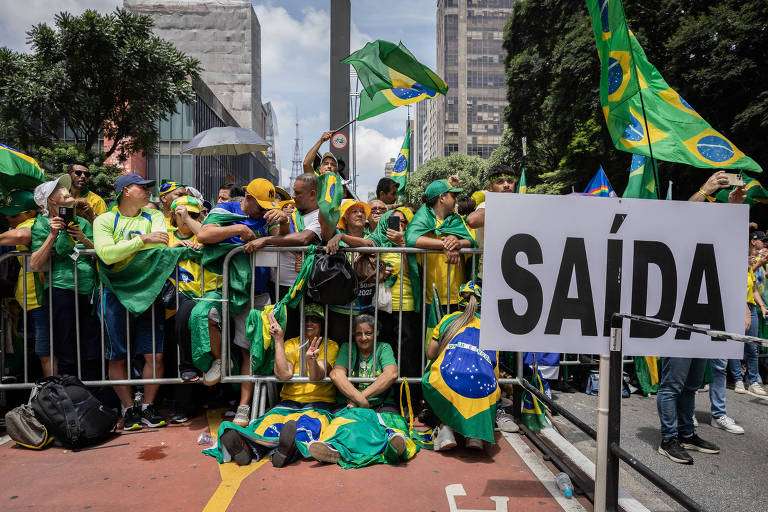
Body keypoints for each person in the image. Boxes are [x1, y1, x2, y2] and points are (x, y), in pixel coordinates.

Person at [196, 178, 287, 426]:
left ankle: (247, 405)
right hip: (227, 290)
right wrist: (237, 230)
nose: (264, 210)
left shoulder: (269, 215)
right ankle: (218, 363)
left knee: (252, 347)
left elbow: (283, 240)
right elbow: (204, 234)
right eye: (261, 206)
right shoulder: (226, 210)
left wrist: (283, 220)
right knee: (205, 317)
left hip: (259, 293)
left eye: (269, 206)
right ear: (247, 199)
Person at [211, 304, 339, 467]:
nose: (309, 323)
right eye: (306, 319)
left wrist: (311, 361)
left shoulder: (331, 346)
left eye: (314, 319)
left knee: (307, 427)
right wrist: (278, 340)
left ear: (322, 324)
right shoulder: (291, 344)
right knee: (268, 424)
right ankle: (246, 450)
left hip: (318, 404)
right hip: (288, 403)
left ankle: (284, 453)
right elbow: (284, 374)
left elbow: (316, 376)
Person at [93, 174, 170, 431]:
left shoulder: (154, 216)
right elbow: (106, 254)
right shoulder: (105, 219)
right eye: (143, 187)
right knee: (118, 356)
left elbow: (163, 246)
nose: (149, 191)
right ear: (125, 191)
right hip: (115, 294)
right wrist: (143, 240)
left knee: (155, 355)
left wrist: (125, 248)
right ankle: (128, 409)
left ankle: (147, 407)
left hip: (149, 294)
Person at [29, 176, 99, 379]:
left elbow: (100, 252)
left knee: (91, 345)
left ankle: (92, 397)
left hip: (88, 290)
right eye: (58, 188)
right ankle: (69, 395)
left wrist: (83, 238)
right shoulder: (41, 223)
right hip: (61, 289)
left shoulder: (83, 222)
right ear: (50, 200)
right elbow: (34, 263)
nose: (65, 189)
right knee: (66, 345)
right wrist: (53, 234)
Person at [423, 282, 500, 451]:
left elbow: (430, 353)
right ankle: (475, 436)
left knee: (431, 380)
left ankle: (445, 429)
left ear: (458, 304)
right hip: (484, 383)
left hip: (449, 378)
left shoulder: (447, 319)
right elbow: (494, 366)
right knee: (481, 387)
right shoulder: (491, 325)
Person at [255, 173, 334, 338]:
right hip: (277, 286)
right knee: (280, 335)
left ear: (313, 194)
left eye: (298, 193)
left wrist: (266, 240)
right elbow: (282, 237)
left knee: (299, 336)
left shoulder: (321, 216)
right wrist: (284, 223)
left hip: (301, 289)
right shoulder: (294, 214)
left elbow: (303, 238)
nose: (293, 196)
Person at [405, 179, 476, 310]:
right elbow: (411, 239)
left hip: (459, 296)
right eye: (453, 196)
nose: (455, 199)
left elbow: (470, 241)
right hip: (432, 298)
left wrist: (457, 242)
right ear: (442, 197)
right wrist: (445, 245)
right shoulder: (422, 219)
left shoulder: (456, 219)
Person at [330, 314, 398, 412]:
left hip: (380, 404)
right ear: (353, 334)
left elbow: (392, 374)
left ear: (376, 333)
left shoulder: (384, 347)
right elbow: (336, 374)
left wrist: (359, 400)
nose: (363, 338)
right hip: (347, 404)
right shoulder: (347, 347)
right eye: (358, 334)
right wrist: (361, 401)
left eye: (368, 333)